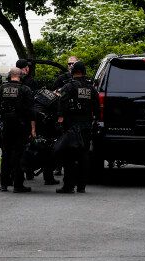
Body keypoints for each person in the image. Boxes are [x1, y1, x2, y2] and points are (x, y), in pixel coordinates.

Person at [0, 67, 36, 193]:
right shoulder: (25, 89)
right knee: (19, 154)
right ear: (21, 76)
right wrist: (33, 129)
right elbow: (31, 112)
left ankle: (4, 184)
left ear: (9, 76)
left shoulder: (1, 89)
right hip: (21, 126)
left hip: (6, 126)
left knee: (6, 154)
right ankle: (18, 185)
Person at [56, 62, 98, 193]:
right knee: (83, 155)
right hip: (86, 125)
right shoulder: (91, 88)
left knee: (69, 155)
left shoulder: (68, 86)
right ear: (84, 72)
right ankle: (81, 186)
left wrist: (60, 118)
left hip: (71, 125)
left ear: (73, 71)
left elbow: (61, 102)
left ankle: (68, 186)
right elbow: (96, 108)